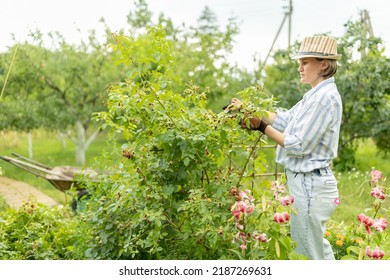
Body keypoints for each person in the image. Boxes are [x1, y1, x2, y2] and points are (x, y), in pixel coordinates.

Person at [230, 35, 343, 260]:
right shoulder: (314, 96)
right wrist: (250, 110)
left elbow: (297, 145)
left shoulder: (323, 99)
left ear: (323, 64)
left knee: (307, 253)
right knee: (317, 248)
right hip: (308, 182)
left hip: (310, 184)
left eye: (305, 62)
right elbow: (284, 120)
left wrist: (260, 126)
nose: (300, 68)